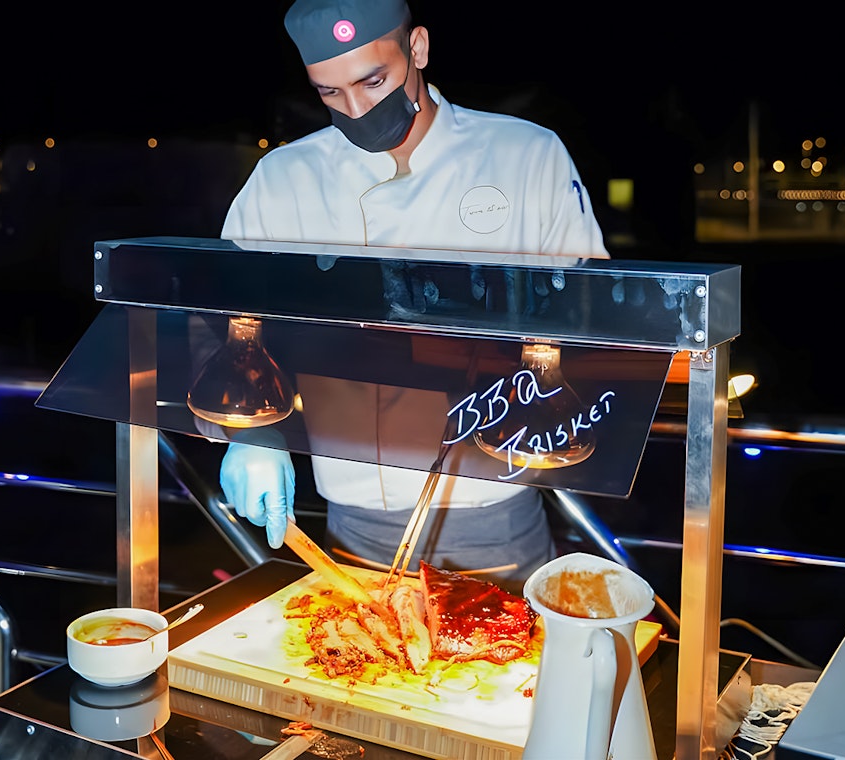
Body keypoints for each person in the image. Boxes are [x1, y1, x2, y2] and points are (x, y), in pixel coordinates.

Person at [216, 0, 609, 590]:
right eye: (330, 93)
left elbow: (589, 314)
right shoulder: (284, 177)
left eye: (373, 82)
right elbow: (226, 318)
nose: (356, 109)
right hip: (351, 515)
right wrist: (252, 431)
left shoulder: (525, 155)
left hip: (491, 508)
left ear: (417, 48)